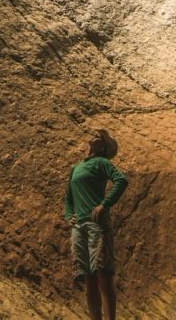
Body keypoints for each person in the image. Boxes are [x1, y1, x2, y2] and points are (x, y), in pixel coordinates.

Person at [63, 128, 128, 320]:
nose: (94, 136)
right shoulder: (76, 168)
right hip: (79, 227)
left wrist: (105, 205)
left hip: (96, 224)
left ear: (102, 147)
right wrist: (69, 215)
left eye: (100, 138)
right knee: (88, 277)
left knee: (103, 273)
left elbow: (121, 181)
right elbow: (68, 198)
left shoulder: (102, 163)